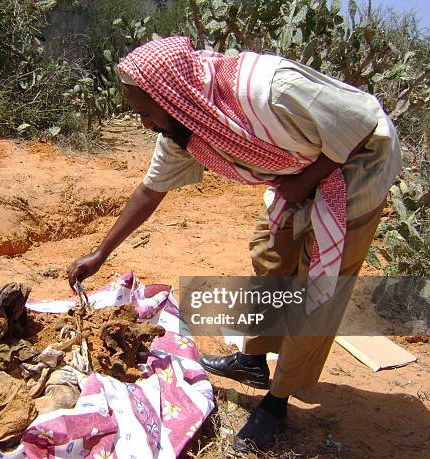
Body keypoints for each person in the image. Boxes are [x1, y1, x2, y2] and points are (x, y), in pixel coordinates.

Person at [66, 36, 401, 452]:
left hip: (355, 172)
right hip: (300, 176)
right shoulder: (186, 125)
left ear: (169, 96)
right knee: (269, 253)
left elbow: (361, 120)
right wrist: (102, 253)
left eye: (146, 113)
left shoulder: (268, 87)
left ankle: (276, 403)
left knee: (315, 290)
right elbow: (150, 191)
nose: (144, 124)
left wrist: (306, 180)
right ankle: (253, 360)